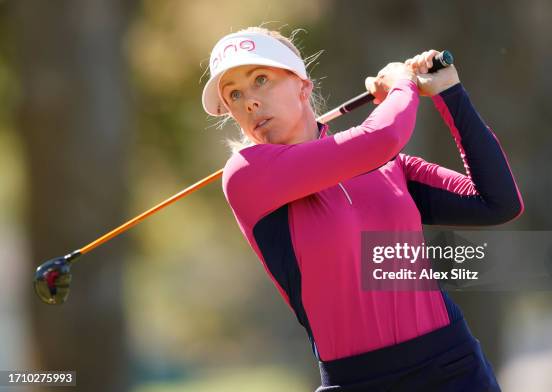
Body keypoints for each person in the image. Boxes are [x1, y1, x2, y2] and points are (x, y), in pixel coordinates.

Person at [202, 26, 524, 391]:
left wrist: (450, 93)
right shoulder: (246, 175)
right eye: (234, 95)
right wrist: (402, 83)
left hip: (451, 367)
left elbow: (497, 202)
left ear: (303, 86)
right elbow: (383, 136)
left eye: (261, 79)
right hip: (357, 382)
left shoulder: (390, 167)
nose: (250, 102)